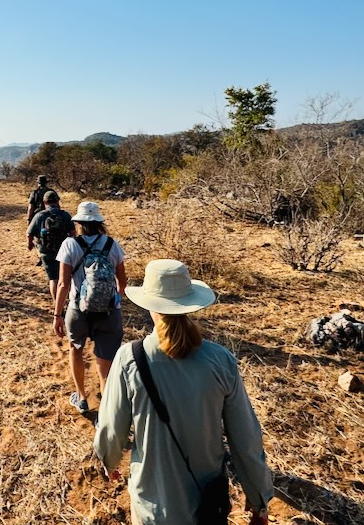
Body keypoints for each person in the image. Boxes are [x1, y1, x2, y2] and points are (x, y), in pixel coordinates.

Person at [94, 259, 273, 525]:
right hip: (207, 504)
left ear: (149, 304)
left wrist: (109, 461)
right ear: (191, 304)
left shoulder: (128, 359)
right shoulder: (221, 360)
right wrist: (258, 497)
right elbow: (245, 439)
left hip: (152, 506)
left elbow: (110, 429)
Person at [52, 201, 127, 414]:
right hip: (109, 312)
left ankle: (81, 397)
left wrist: (58, 314)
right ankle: (107, 411)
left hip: (78, 311)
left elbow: (63, 284)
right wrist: (114, 300)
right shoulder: (112, 245)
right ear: (99, 223)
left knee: (75, 349)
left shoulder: (69, 245)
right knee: (105, 367)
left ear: (78, 223)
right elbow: (122, 281)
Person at [27, 191, 76, 302]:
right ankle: (66, 300)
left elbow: (29, 233)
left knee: (53, 278)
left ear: (44, 202)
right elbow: (73, 233)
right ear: (58, 201)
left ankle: (57, 304)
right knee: (65, 277)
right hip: (64, 251)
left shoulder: (40, 215)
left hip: (46, 251)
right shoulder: (65, 215)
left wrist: (30, 245)